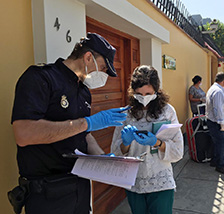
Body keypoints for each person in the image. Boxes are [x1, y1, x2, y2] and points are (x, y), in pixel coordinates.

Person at [10, 33, 128, 214]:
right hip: (47, 191)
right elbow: (24, 133)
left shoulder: (84, 92)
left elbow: (84, 133)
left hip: (79, 185)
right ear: (88, 57)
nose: (104, 75)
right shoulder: (41, 78)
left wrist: (102, 159)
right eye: (103, 68)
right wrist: (86, 123)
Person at [111, 65, 184, 214]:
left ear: (156, 91)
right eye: (139, 94)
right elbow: (116, 152)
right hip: (133, 180)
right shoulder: (127, 114)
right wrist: (125, 143)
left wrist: (157, 143)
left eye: (148, 93)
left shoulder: (167, 111)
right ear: (133, 92)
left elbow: (178, 150)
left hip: (161, 181)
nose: (144, 98)